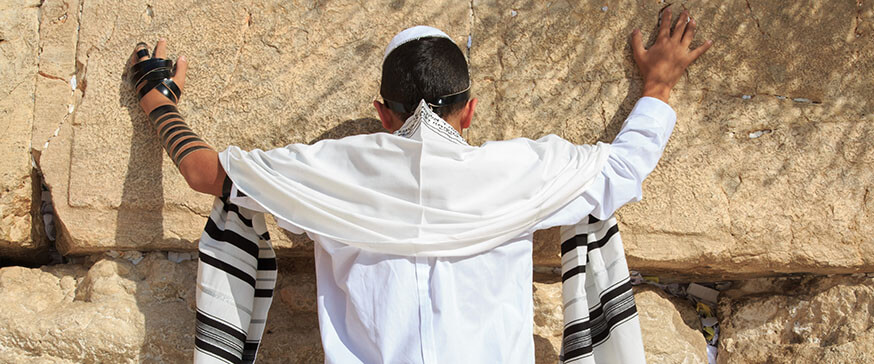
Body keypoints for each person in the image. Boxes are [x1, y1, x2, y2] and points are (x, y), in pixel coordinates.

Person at [126, 8, 710, 364]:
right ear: (471, 110)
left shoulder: (329, 173)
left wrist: (156, 96)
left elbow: (204, 173)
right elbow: (624, 169)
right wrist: (658, 83)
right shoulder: (521, 173)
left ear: (383, 113)